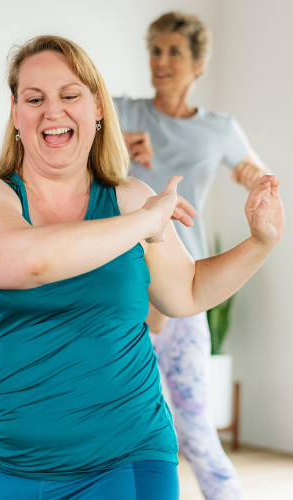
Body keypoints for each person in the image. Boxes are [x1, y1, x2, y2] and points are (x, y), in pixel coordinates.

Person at [0, 34, 282, 500]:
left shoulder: (130, 198)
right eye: (35, 99)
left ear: (97, 106)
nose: (52, 111)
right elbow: (28, 260)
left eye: (69, 95)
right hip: (2, 455)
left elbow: (188, 291)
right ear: (16, 114)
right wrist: (142, 223)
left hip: (124, 458)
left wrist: (259, 242)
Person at [113, 11, 271, 499]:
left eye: (174, 51)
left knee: (197, 432)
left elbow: (256, 174)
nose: (161, 62)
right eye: (155, 51)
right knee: (114, 429)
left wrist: (254, 181)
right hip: (120, 287)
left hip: (183, 287)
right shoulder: (121, 111)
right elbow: (66, 150)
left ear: (199, 63)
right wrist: (115, 142)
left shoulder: (219, 129)